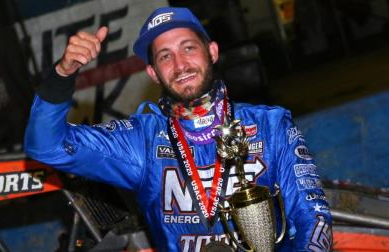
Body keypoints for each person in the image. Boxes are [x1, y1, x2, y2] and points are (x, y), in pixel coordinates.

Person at [24, 7, 333, 252]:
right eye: (165, 56)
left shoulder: (271, 126)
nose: (180, 64)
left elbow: (313, 219)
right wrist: (63, 74)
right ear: (153, 72)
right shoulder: (141, 141)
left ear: (211, 51)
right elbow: (46, 146)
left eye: (188, 48)